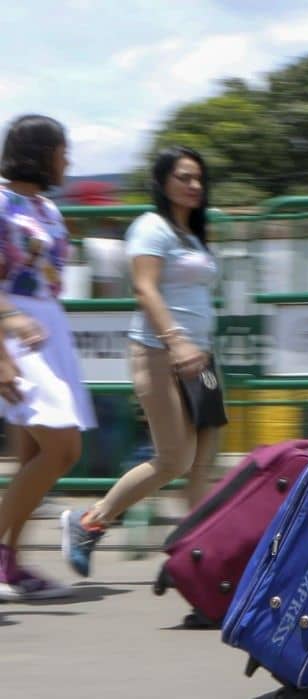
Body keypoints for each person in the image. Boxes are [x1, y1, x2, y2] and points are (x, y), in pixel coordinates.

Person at [60, 146, 222, 580]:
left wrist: (196, 347)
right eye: (184, 177)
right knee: (173, 459)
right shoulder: (151, 227)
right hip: (160, 352)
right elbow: (145, 291)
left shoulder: (192, 234)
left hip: (201, 356)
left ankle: (193, 558)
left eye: (198, 179)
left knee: (204, 459)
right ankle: (90, 521)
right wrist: (177, 342)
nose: (193, 186)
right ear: (163, 181)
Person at [0, 114, 97, 600]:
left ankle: (8, 566)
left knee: (36, 454)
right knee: (63, 448)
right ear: (38, 153)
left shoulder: (49, 210)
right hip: (12, 329)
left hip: (48, 331)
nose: (67, 160)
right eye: (62, 150)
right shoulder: (0, 203)